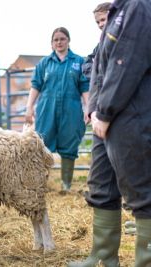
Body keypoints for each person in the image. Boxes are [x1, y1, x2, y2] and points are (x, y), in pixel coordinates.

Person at [70, 0, 151, 266]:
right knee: (101, 185)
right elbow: (100, 68)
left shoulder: (138, 7)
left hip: (131, 114)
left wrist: (104, 111)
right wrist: (94, 108)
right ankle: (103, 256)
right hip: (106, 116)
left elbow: (125, 62)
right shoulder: (120, 10)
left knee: (142, 192)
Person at [25, 27, 89, 192]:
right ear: (51, 43)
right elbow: (36, 86)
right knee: (43, 145)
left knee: (69, 146)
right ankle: (41, 185)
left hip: (71, 109)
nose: (59, 42)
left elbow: (84, 86)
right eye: (56, 40)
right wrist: (29, 108)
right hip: (47, 109)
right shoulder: (45, 63)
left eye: (62, 39)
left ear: (68, 40)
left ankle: (66, 186)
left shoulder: (78, 62)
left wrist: (89, 107)